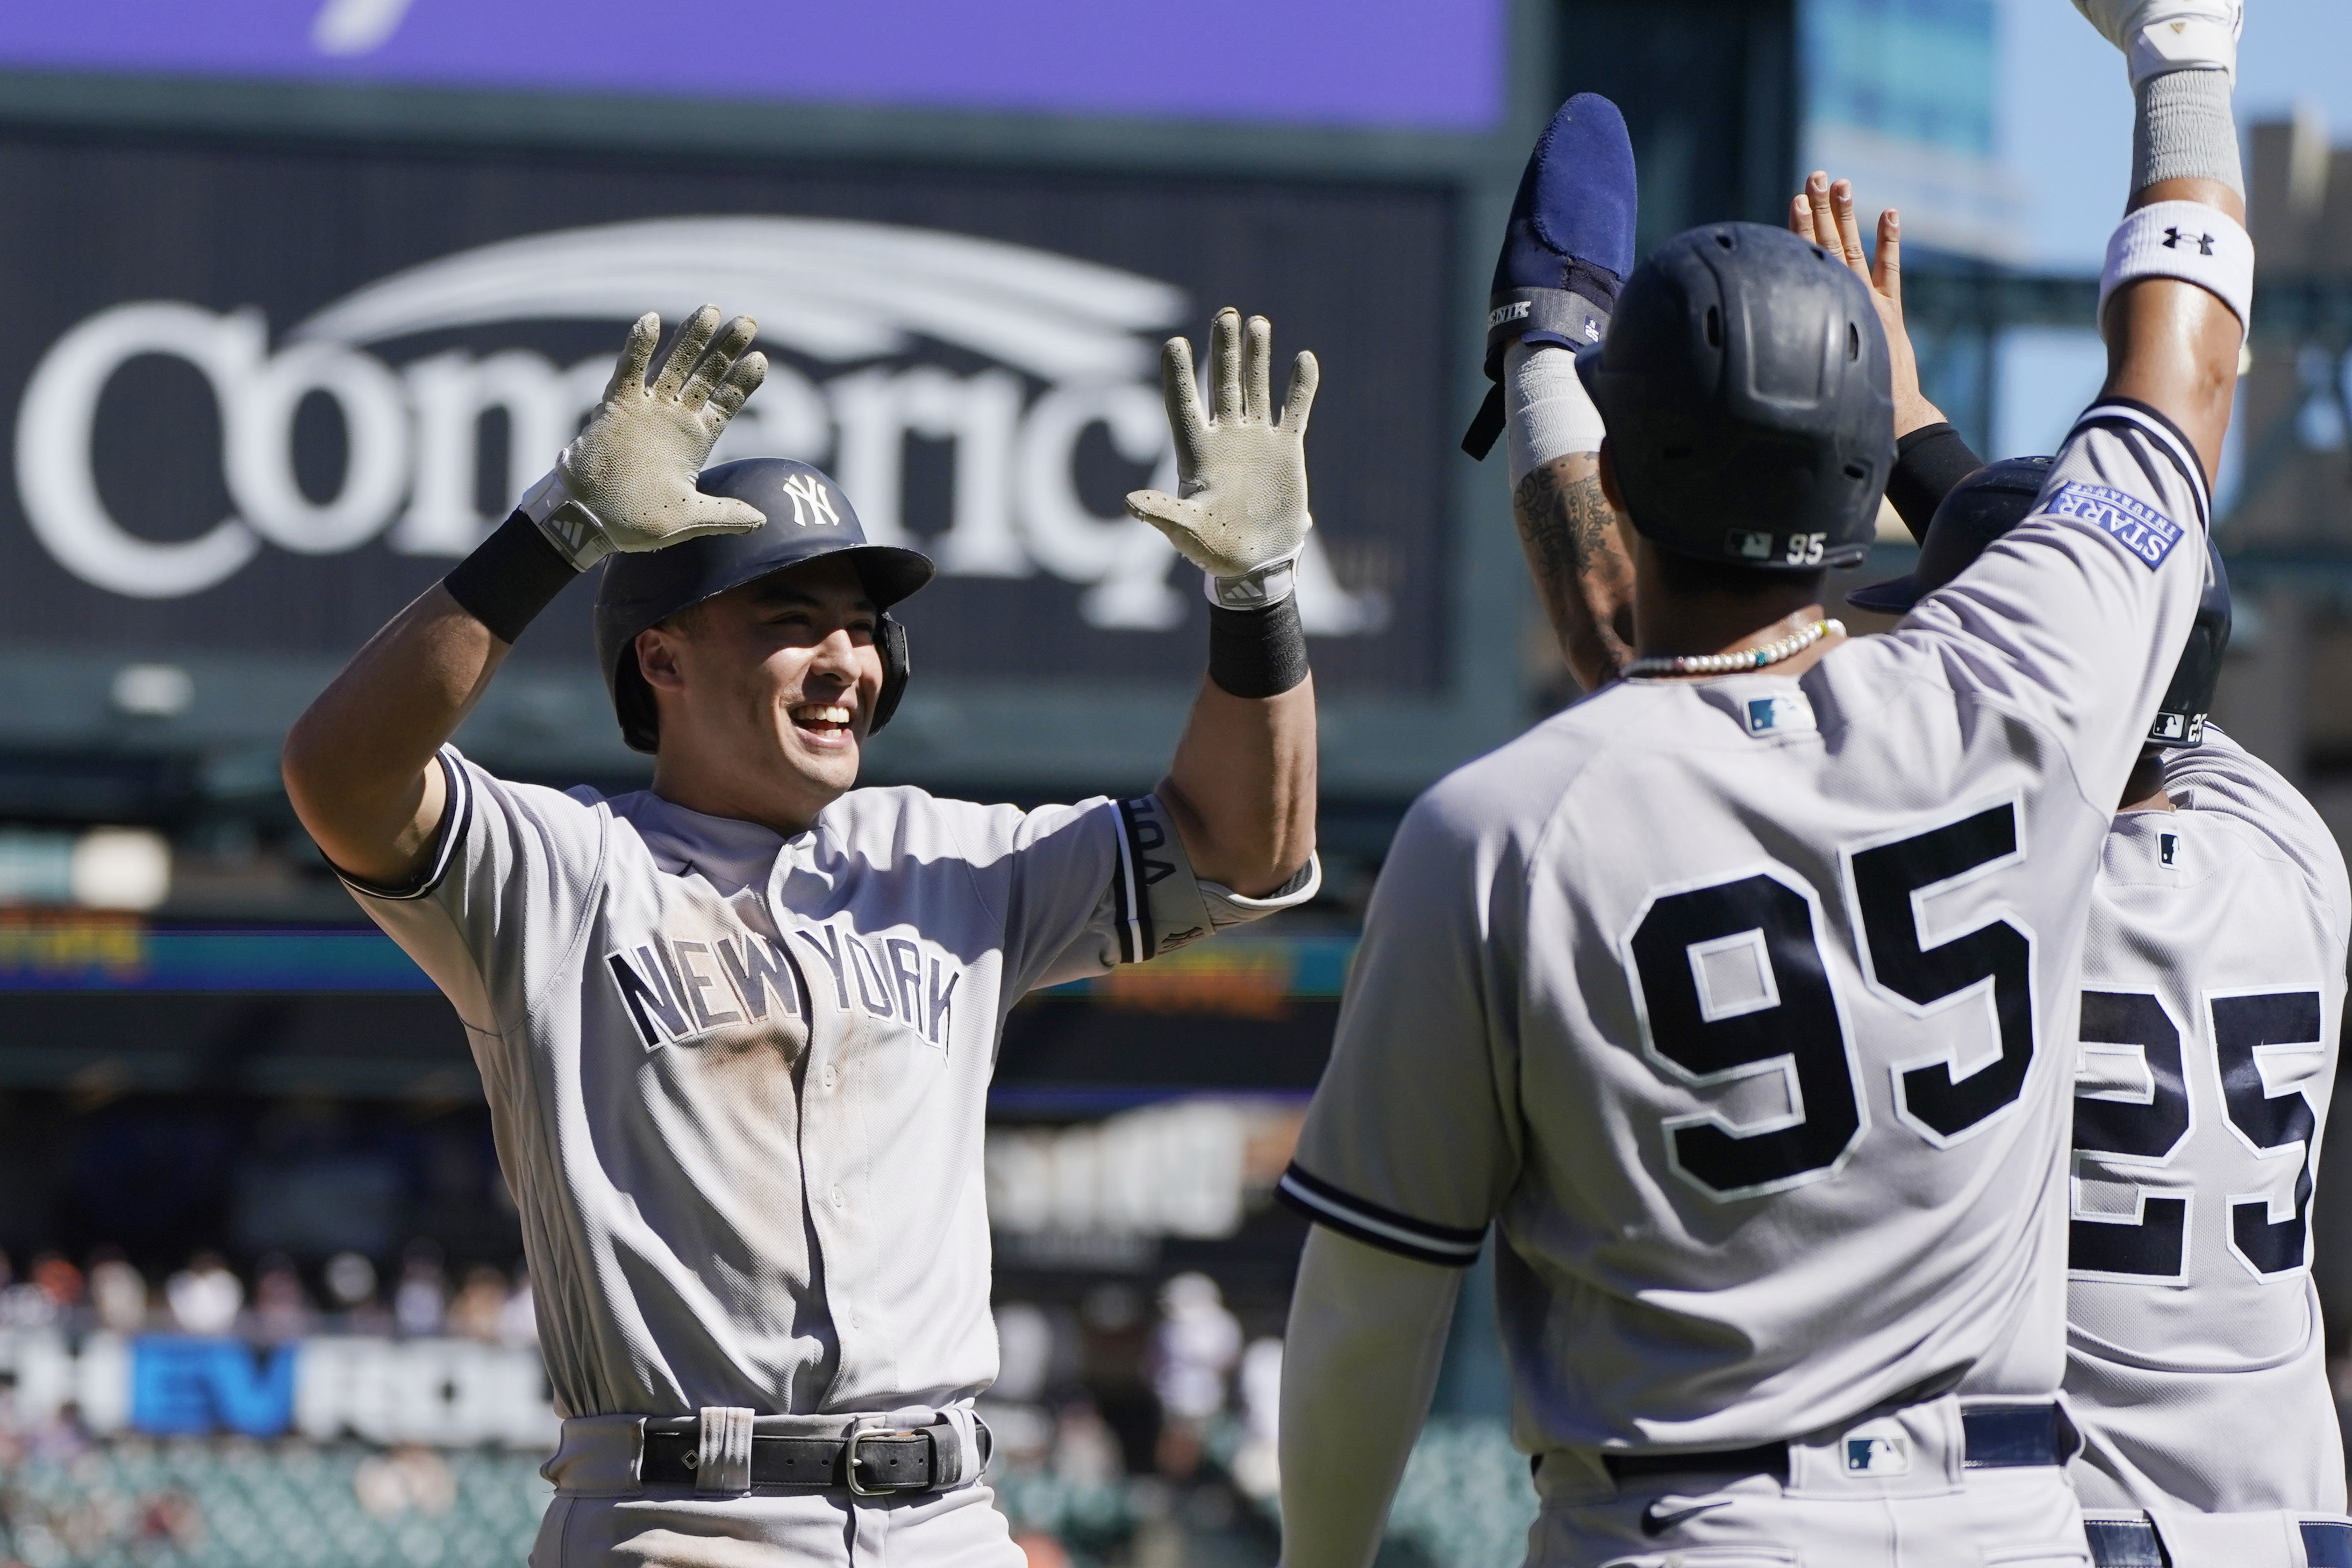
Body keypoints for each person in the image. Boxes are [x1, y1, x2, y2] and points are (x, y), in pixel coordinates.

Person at [1272, 0, 2253, 1558]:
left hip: (1687, 1519)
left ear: (1627, 455)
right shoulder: (2031, 684)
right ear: (1873, 479)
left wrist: (1542, 368)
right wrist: (2182, 56)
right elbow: (2178, 378)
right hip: (2001, 1515)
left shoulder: (1506, 824)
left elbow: (1368, 1315)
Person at [281, 299, 1321, 1567]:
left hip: (948, 1520)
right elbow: (342, 777)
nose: (847, 660)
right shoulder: (560, 870)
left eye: (863, 625)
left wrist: (1255, 598)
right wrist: (555, 528)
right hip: (683, 1517)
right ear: (660, 659)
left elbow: (1240, 848)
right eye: (791, 620)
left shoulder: (949, 857)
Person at [1820, 226, 2350, 1568]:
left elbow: (2071, 657)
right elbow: (2134, 640)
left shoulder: (1985, 890)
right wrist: (1922, 444)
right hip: (2300, 1521)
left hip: (2089, 1520)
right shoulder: (2289, 851)